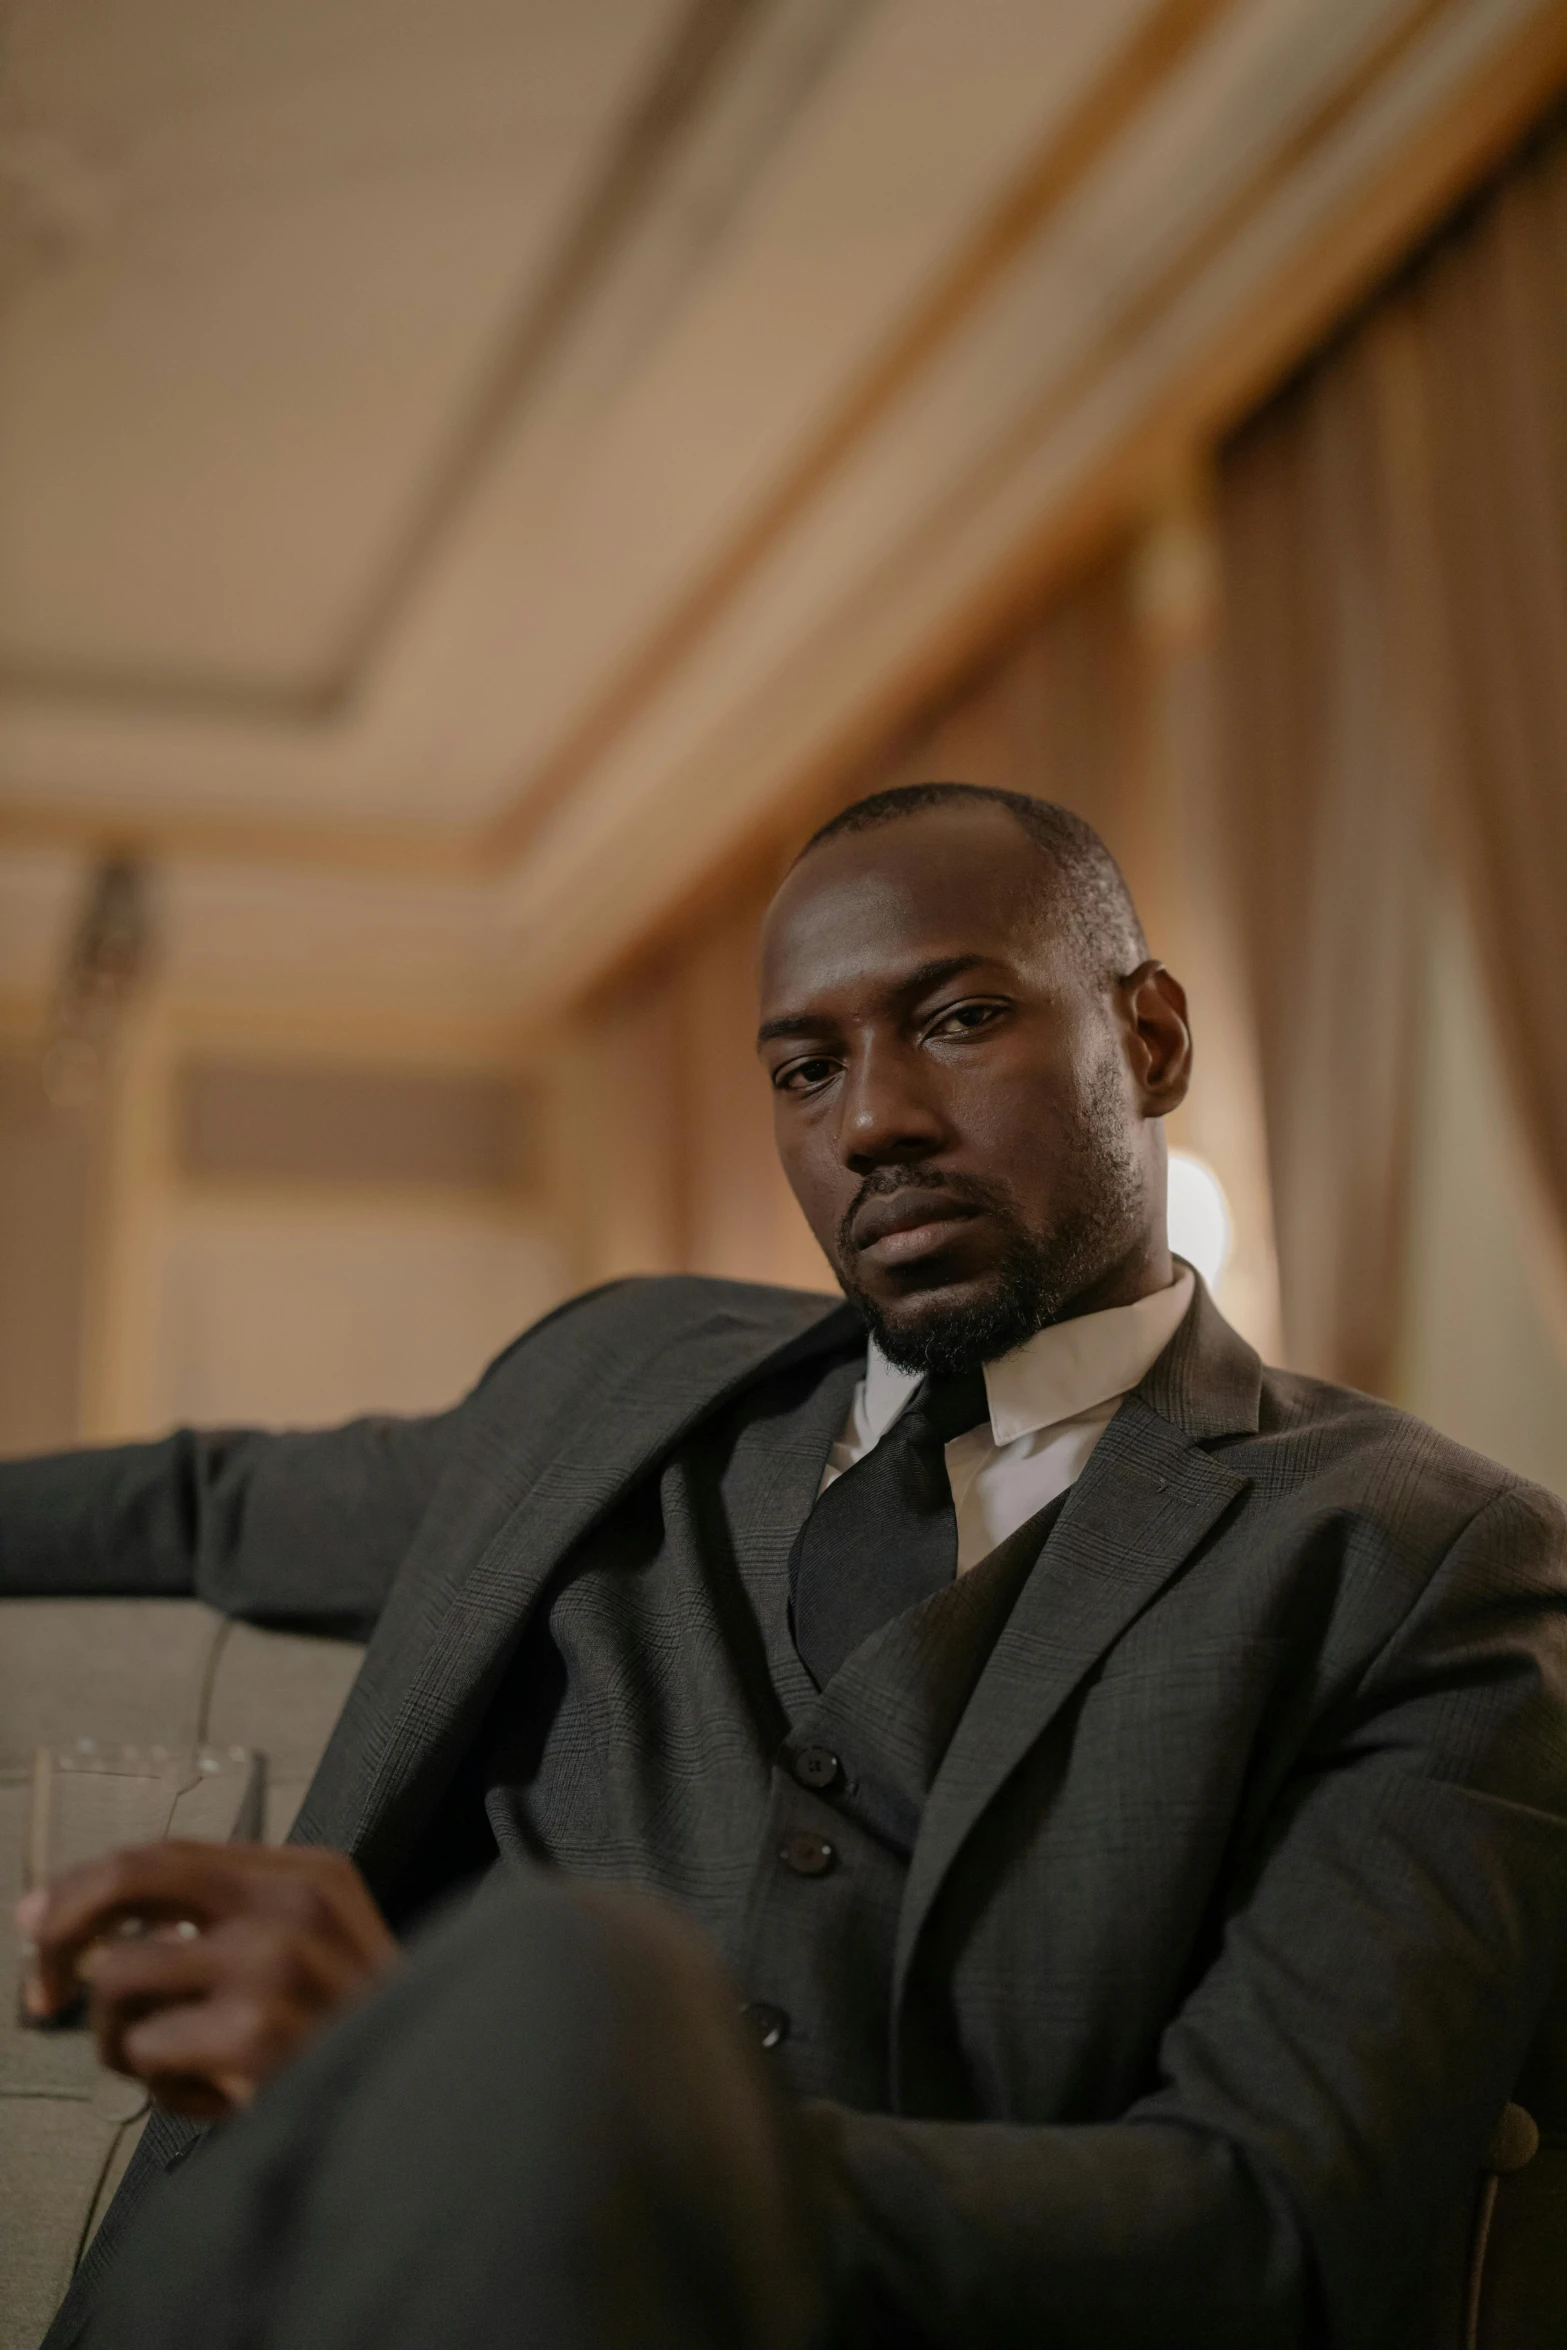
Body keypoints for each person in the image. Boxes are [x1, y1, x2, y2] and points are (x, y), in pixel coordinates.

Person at [7, 784, 1567, 2350]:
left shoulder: (1424, 1562)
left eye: (956, 1018)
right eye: (805, 1070)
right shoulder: (613, 1380)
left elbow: (1274, 2228)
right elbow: (202, 1504)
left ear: (1148, 1039)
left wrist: (530, 2114)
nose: (871, 1120)